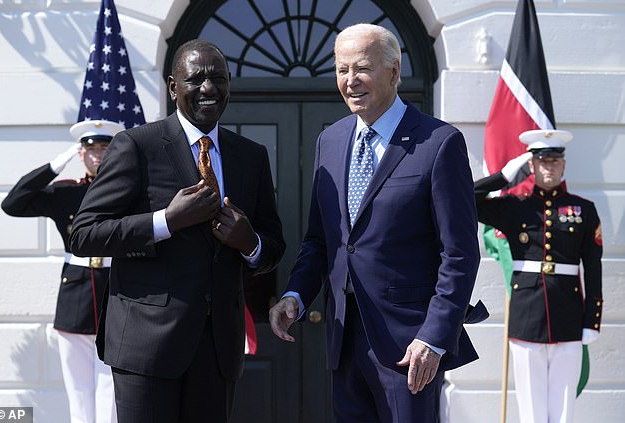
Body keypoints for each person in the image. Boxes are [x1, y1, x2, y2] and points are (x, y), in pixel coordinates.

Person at [269, 23, 484, 423]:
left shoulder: (439, 143)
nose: (350, 81)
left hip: (410, 348)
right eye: (341, 69)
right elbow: (321, 241)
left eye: (362, 68)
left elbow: (460, 254)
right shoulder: (330, 141)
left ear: (395, 71)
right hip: (343, 340)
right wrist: (295, 296)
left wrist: (434, 339)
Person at [69, 39, 285, 423]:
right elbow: (85, 233)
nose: (208, 88)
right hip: (146, 349)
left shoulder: (251, 156)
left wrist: (249, 242)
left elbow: (272, 246)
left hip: (219, 351)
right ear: (173, 87)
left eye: (219, 78)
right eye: (196, 79)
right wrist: (166, 221)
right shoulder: (136, 145)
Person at [474, 129, 603, 423]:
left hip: (569, 316)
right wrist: (503, 178)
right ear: (530, 166)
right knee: (531, 409)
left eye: (555, 161)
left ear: (564, 165)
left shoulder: (584, 210)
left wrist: (591, 320)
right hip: (527, 315)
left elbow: (593, 268)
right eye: (542, 161)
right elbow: (464, 201)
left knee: (563, 410)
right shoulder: (513, 206)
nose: (549, 166)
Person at [1, 119, 123, 423]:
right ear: (80, 154)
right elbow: (12, 203)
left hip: (117, 290)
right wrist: (56, 164)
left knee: (111, 384)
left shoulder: (127, 192)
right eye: (90, 149)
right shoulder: (65, 193)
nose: (97, 155)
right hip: (77, 293)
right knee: (79, 388)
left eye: (104, 148)